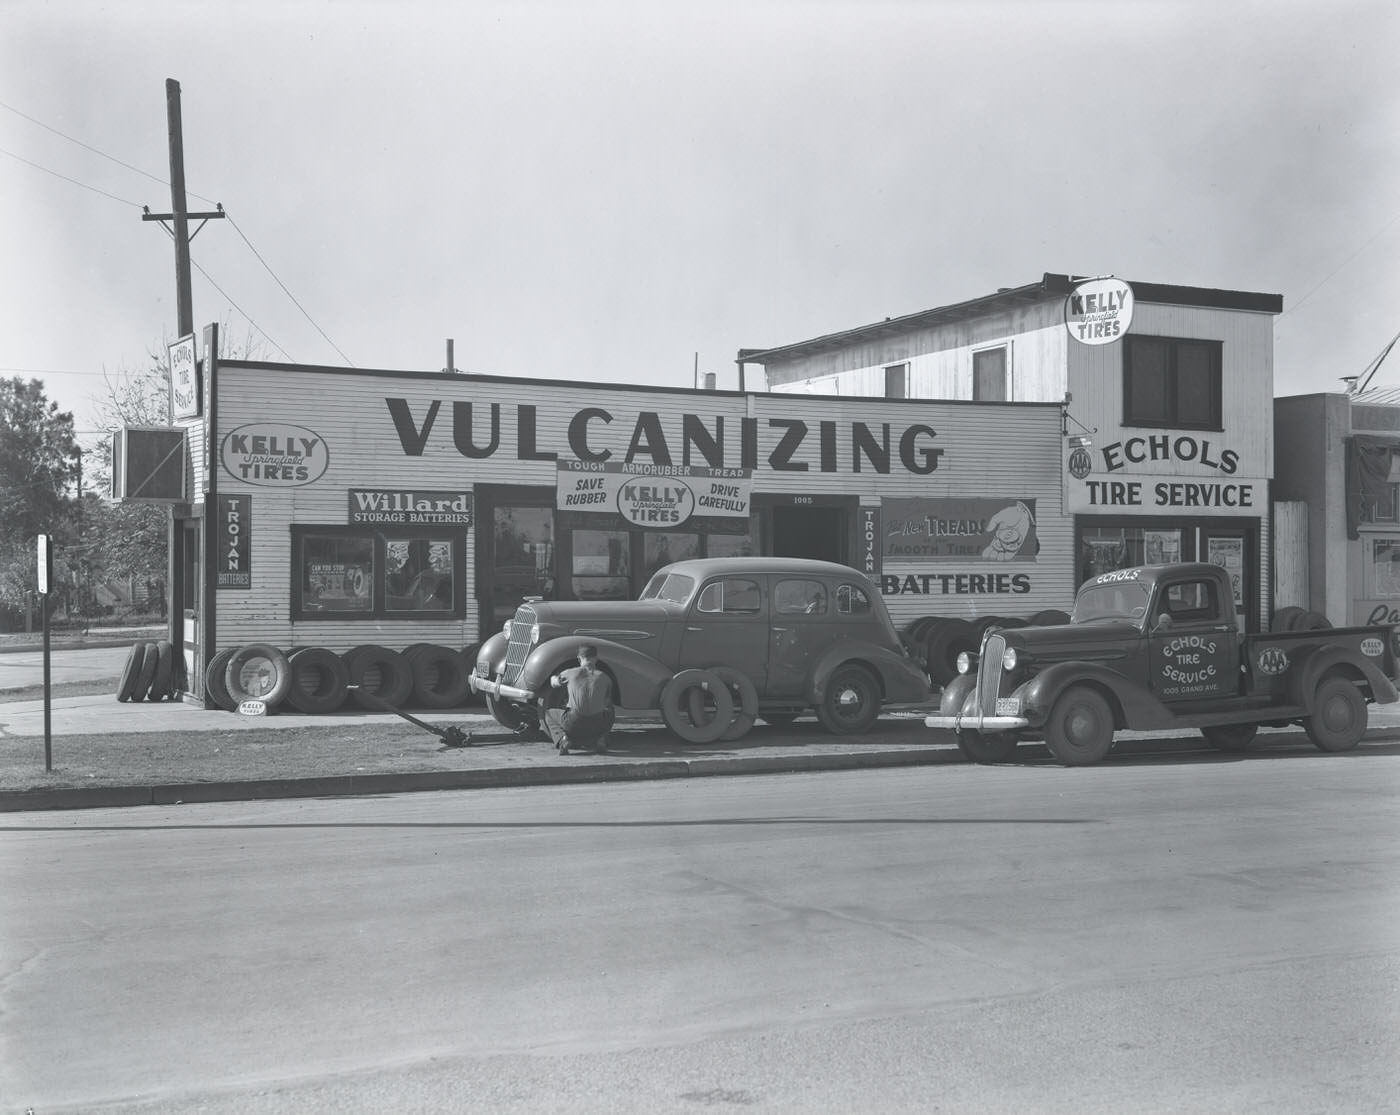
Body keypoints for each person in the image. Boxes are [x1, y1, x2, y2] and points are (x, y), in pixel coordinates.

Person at [542, 645, 614, 755]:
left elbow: (554, 683)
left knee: (549, 714)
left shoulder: (570, 673)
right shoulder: (605, 678)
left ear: (579, 658)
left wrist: (553, 677)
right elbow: (607, 702)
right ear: (596, 659)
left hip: (573, 722)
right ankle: (601, 739)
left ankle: (563, 739)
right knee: (611, 710)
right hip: (598, 723)